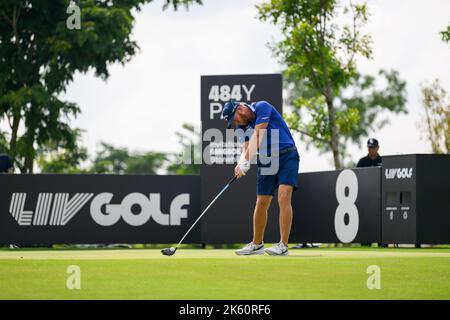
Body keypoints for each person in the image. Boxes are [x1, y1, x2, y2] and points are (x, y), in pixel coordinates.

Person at [221, 100, 300, 256]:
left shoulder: (262, 107)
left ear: (240, 109)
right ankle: (257, 244)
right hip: (266, 160)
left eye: (235, 119)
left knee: (284, 197)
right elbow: (246, 147)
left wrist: (245, 160)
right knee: (261, 201)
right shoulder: (241, 128)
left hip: (287, 155)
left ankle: (283, 245)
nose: (235, 123)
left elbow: (258, 134)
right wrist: (241, 162)